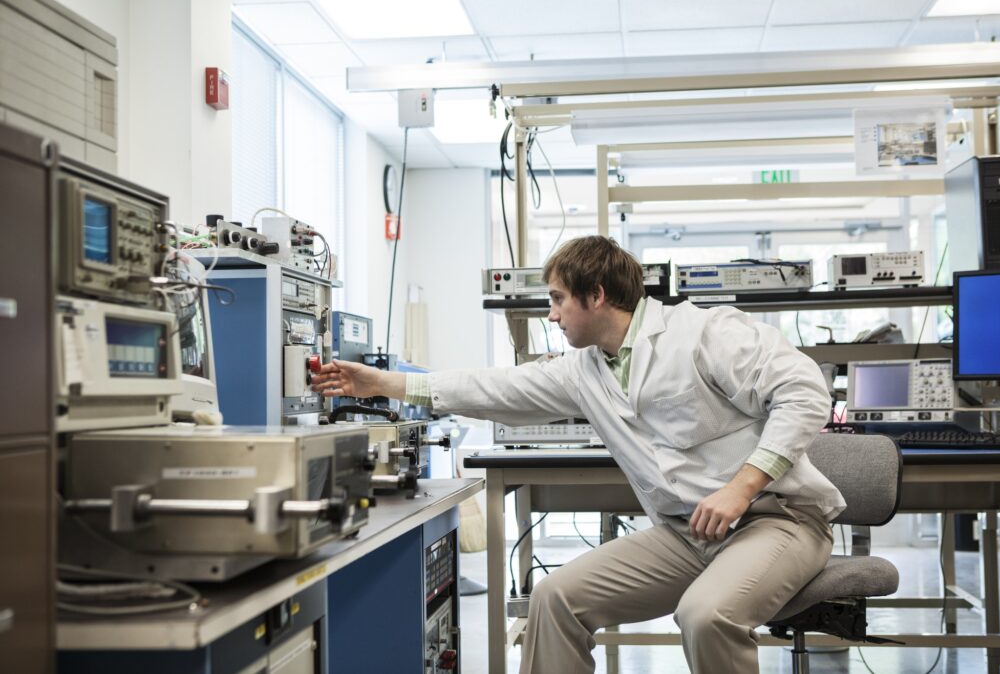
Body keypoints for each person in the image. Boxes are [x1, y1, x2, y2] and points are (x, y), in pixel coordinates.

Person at [312, 235, 843, 674]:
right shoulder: (584, 368)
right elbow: (492, 388)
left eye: (557, 299)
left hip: (778, 521)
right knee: (554, 597)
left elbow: (804, 392)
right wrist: (380, 382)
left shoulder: (703, 333)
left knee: (705, 615)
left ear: (595, 295)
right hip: (688, 536)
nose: (550, 313)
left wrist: (741, 486)